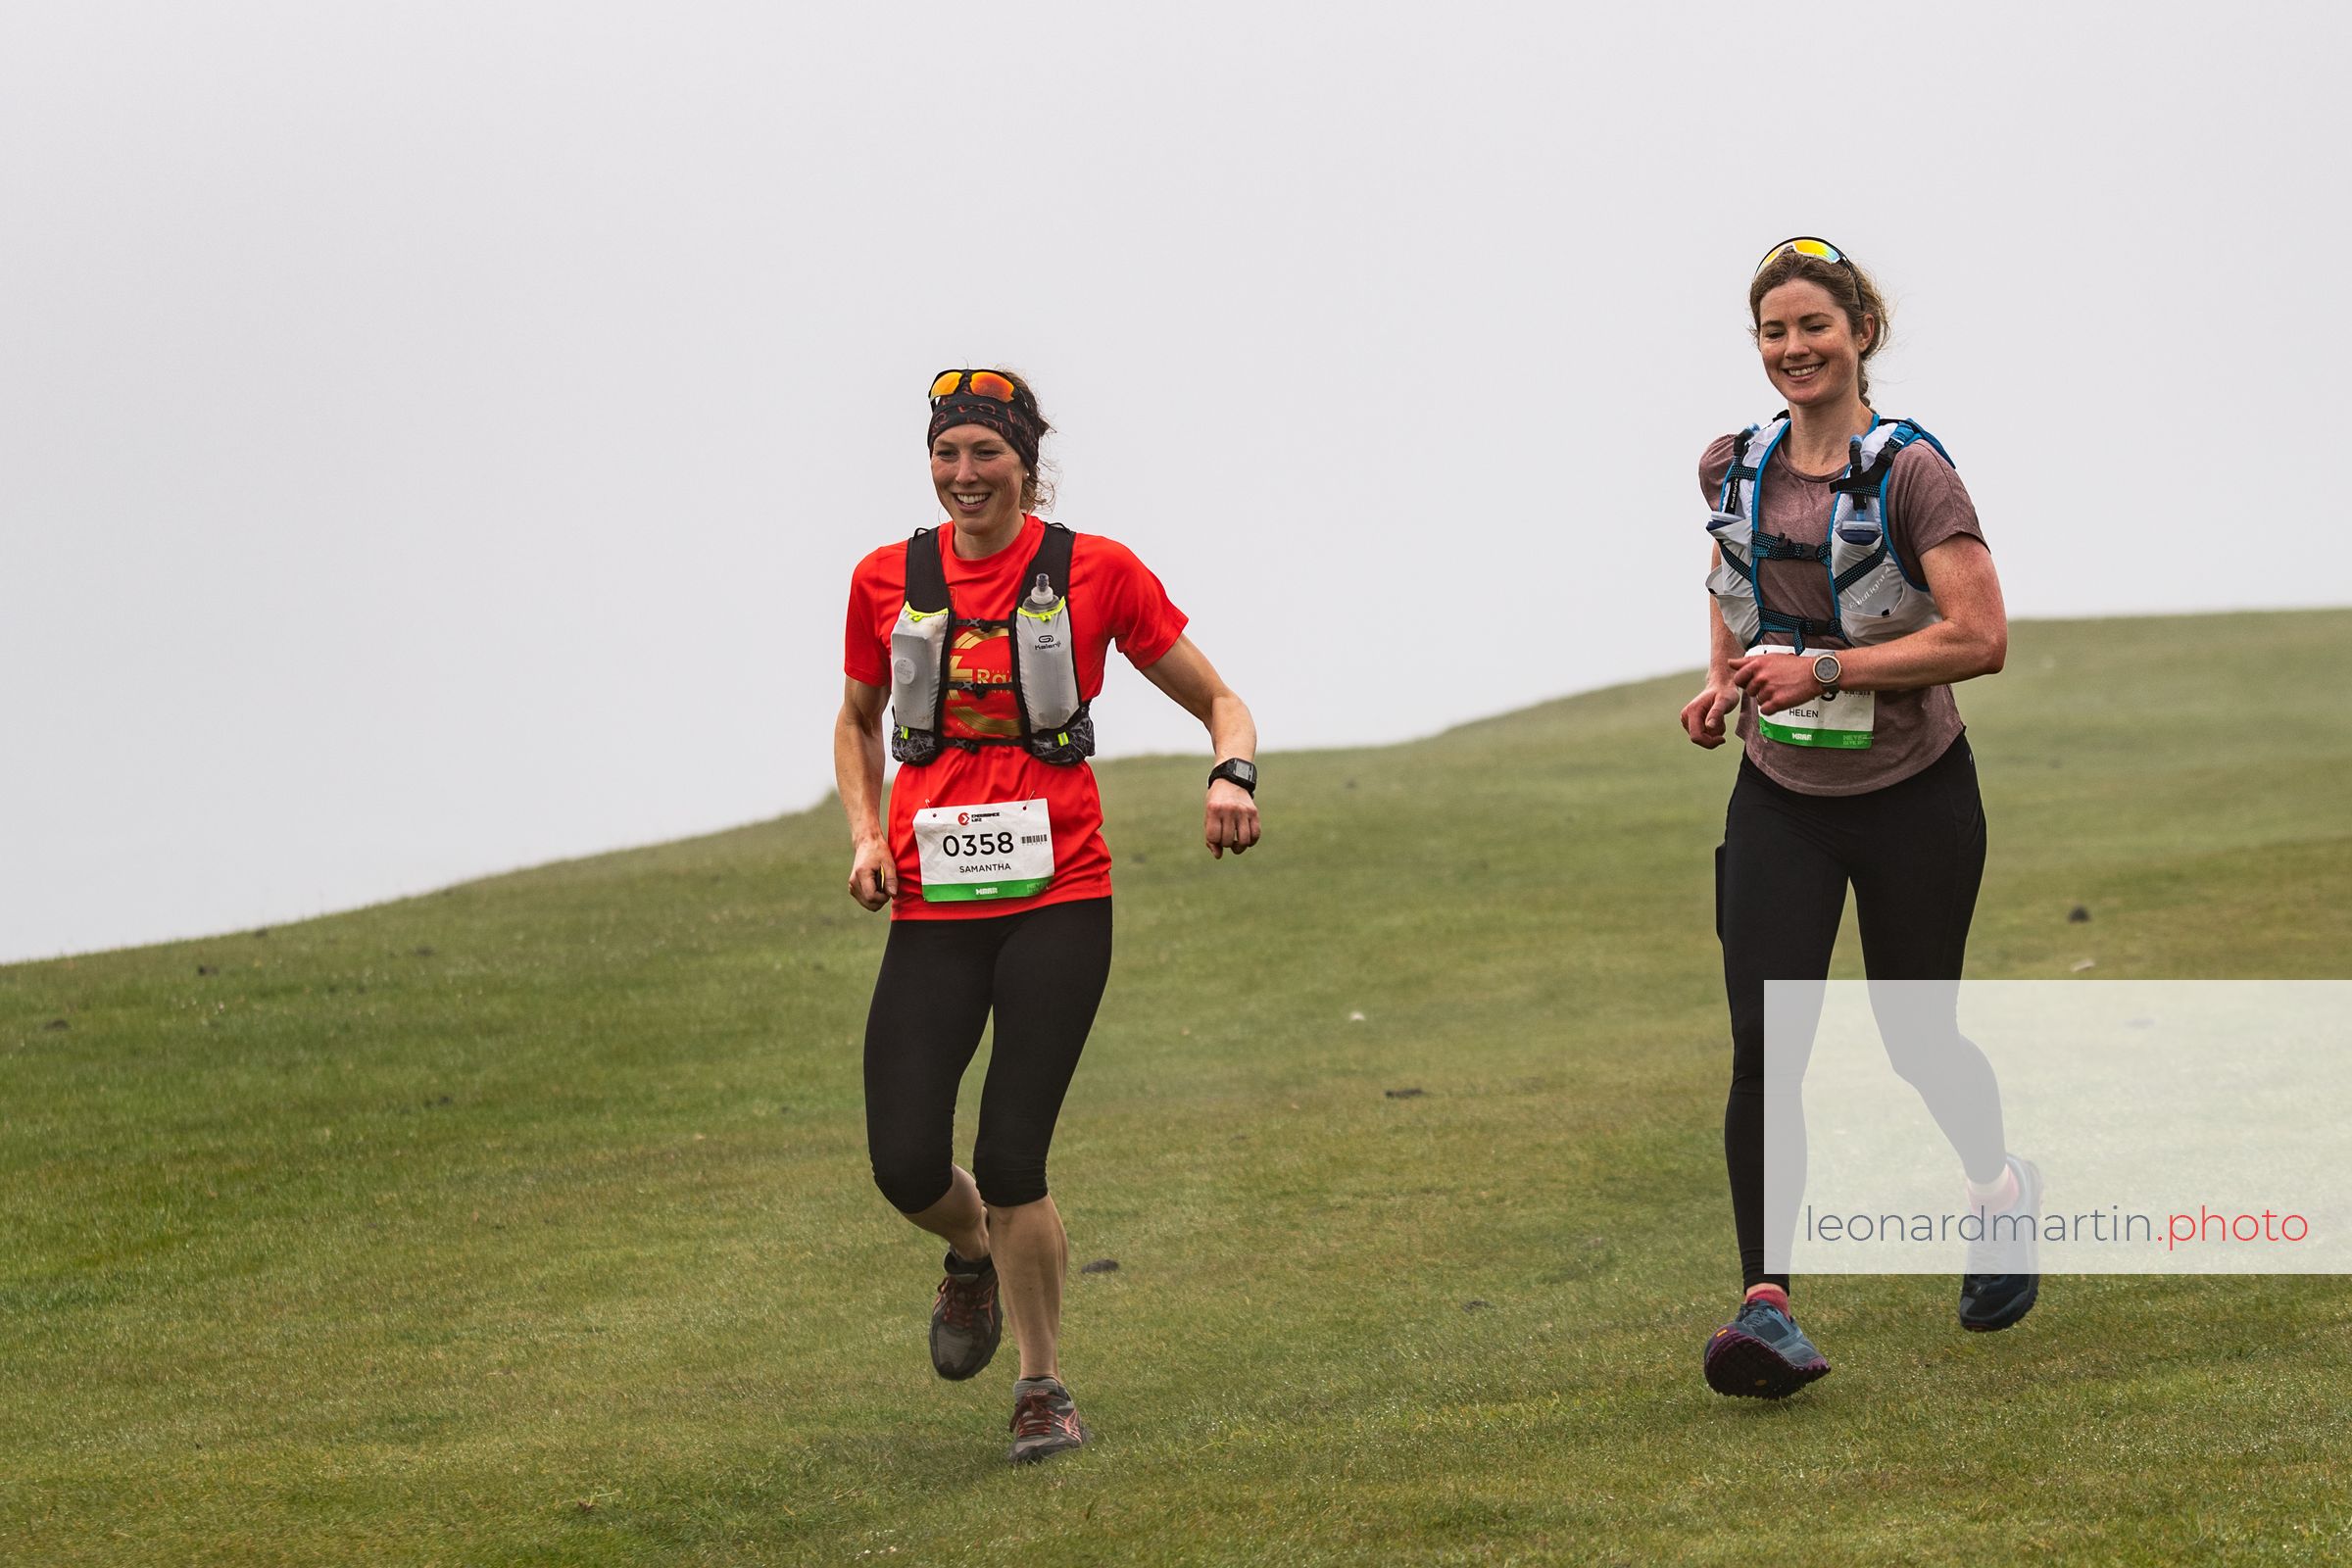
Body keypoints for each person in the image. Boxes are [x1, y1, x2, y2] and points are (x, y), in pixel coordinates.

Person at [834, 368, 1261, 1460]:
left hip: (1060, 900)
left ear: (1027, 462)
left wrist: (1232, 773)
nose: (964, 473)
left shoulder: (1096, 572)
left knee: (1013, 1154)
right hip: (933, 906)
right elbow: (858, 719)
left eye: (986, 452)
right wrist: (867, 833)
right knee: (902, 1161)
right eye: (948, 453)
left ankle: (1041, 1386)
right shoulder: (886, 578)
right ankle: (972, 1251)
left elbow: (1220, 700)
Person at [1680, 239, 2035, 1399]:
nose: (1794, 349)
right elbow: (1735, 582)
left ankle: (1999, 1190)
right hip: (1781, 799)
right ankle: (1767, 1303)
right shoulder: (1732, 464)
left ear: (1861, 333)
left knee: (1916, 1039)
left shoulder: (1915, 474)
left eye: (1814, 328)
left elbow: (1981, 637)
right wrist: (1722, 679)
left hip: (1914, 797)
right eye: (1774, 332)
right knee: (1764, 1043)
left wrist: (1825, 671)